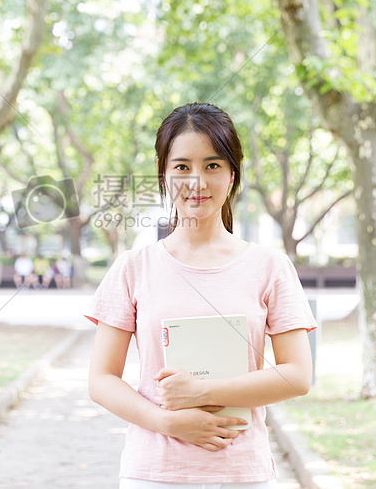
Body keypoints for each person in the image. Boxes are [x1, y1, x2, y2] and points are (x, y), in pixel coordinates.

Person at [86, 103, 317, 488]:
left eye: (212, 165)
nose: (196, 181)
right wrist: (168, 421)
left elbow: (298, 376)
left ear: (232, 175)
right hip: (153, 474)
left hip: (243, 474)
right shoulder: (133, 267)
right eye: (181, 167)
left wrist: (200, 392)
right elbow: (101, 379)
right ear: (163, 175)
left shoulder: (270, 267)